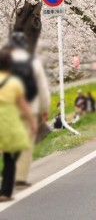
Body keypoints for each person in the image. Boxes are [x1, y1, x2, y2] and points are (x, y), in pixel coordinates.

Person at [8, 32, 50, 189]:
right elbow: (42, 88)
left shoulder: (5, 62)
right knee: (26, 143)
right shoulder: (33, 63)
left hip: (9, 108)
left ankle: (8, 175)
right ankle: (20, 178)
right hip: (30, 108)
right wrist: (45, 108)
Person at [0, 48, 37, 202]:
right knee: (10, 156)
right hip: (8, 120)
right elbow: (23, 105)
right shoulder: (14, 83)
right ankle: (5, 192)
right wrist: (32, 122)